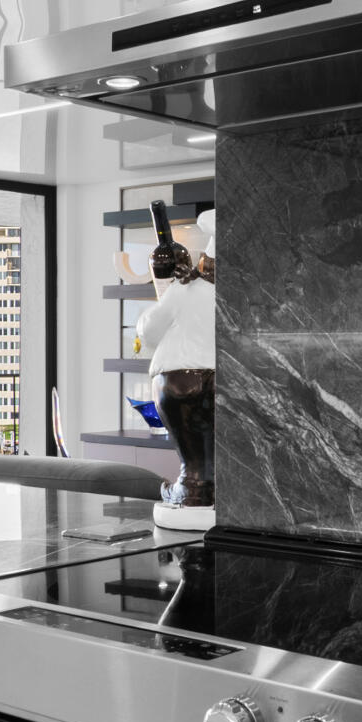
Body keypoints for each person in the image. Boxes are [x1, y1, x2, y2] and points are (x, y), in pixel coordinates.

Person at [136, 206, 217, 528]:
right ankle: (215, 493)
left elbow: (150, 330)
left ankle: (191, 494)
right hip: (225, 379)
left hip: (177, 378)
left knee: (193, 459)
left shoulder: (186, 288)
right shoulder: (243, 295)